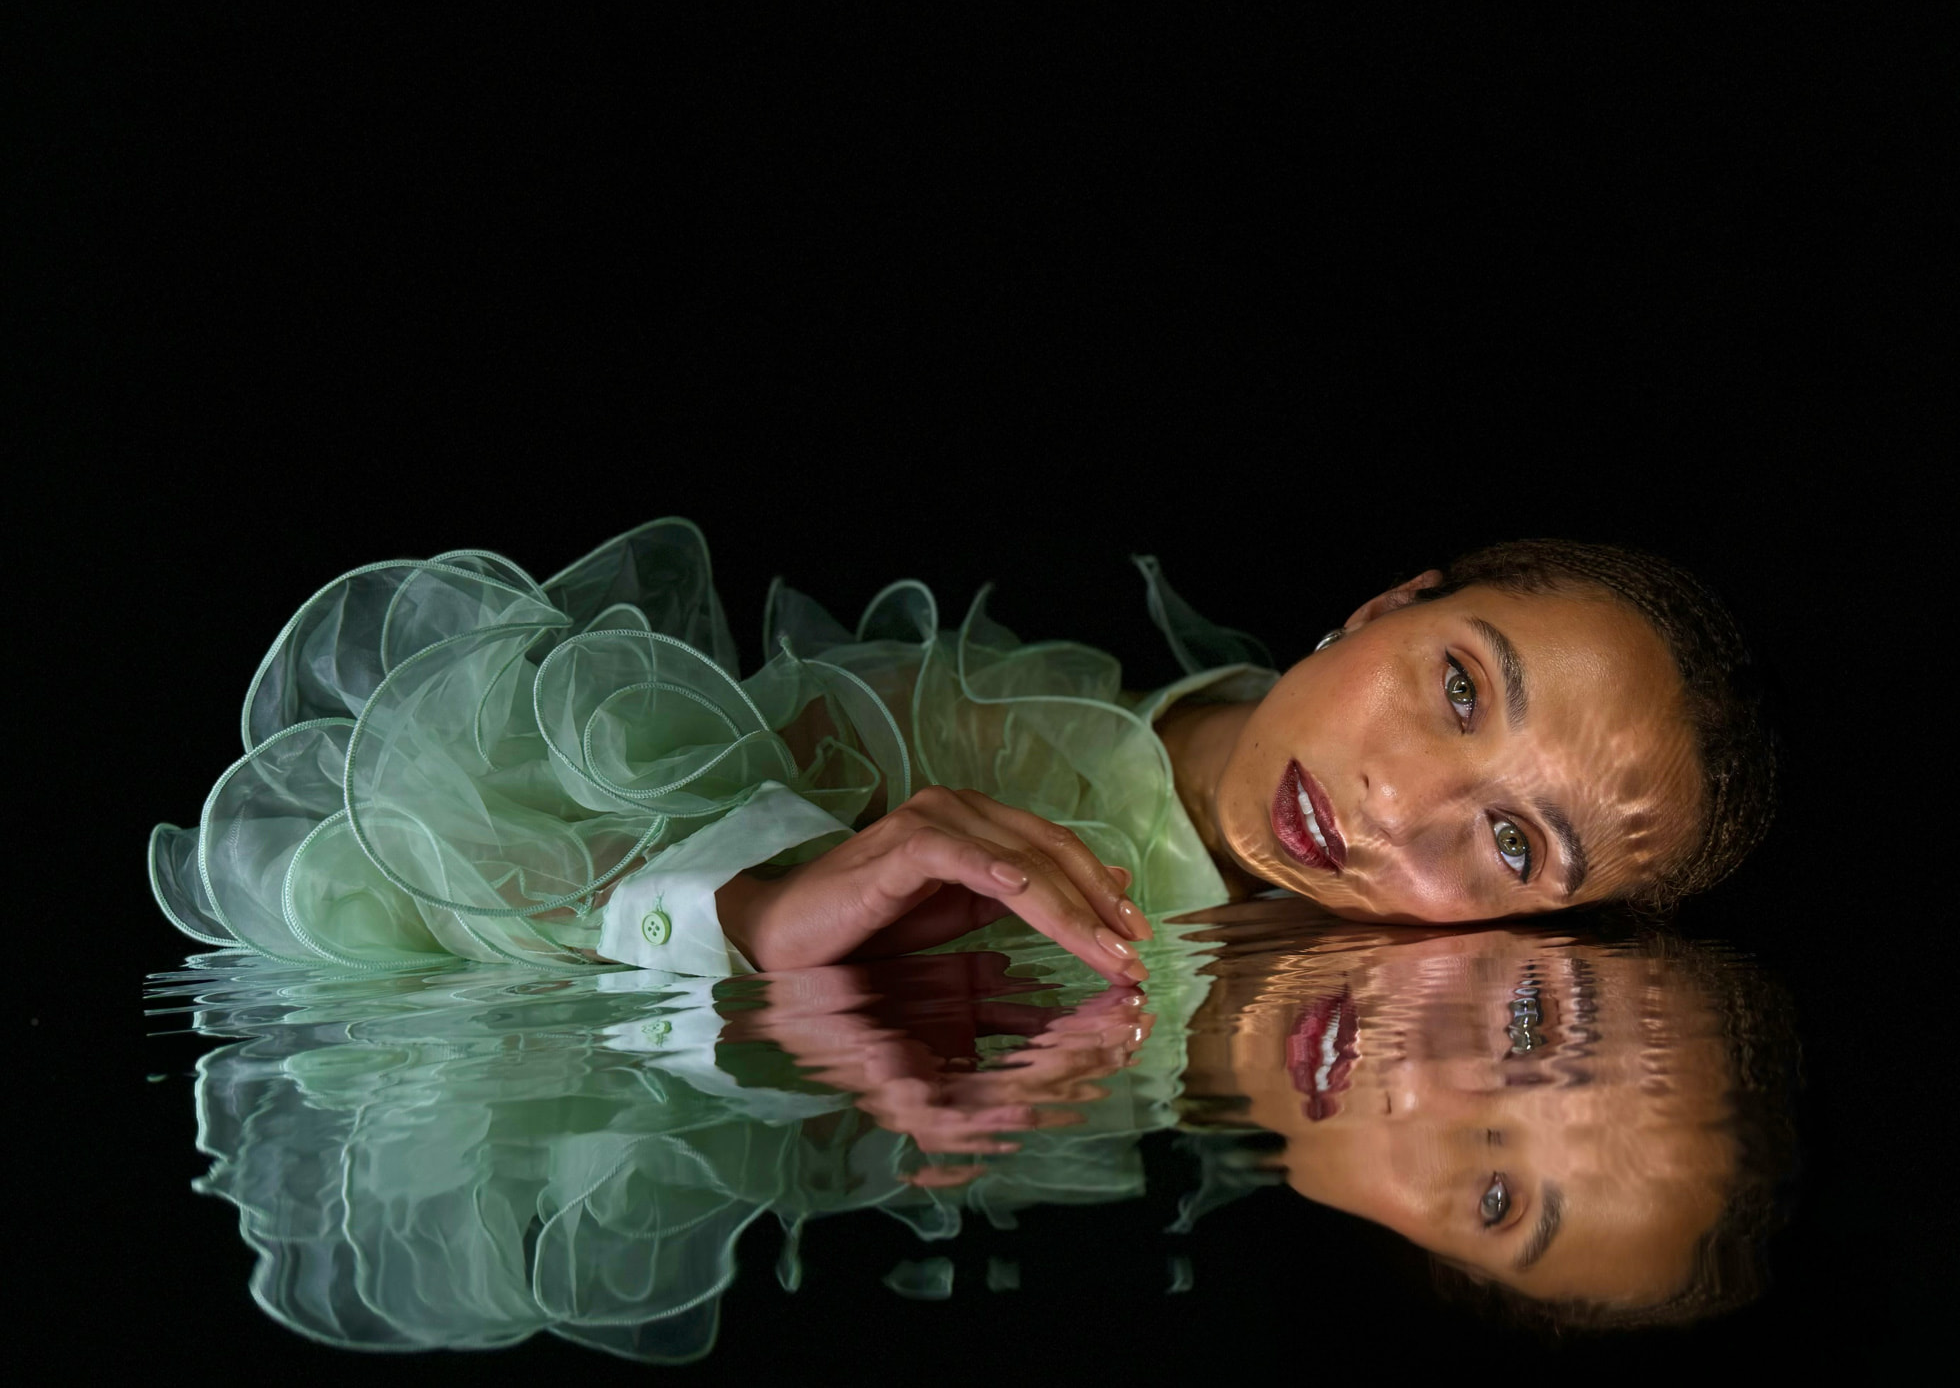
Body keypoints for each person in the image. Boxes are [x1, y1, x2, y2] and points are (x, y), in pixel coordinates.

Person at [157, 898, 1796, 1356]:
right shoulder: (1098, 867)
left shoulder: (1045, 1250)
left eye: (1498, 1193)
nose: (1428, 1085)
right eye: (1528, 1021)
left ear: (1445, 1266)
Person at [150, 518, 1774, 980]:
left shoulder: (1363, 1042)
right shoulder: (950, 728)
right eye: (1460, 688)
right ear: (1385, 601)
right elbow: (428, 868)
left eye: (1509, 847)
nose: (1400, 805)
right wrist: (745, 914)